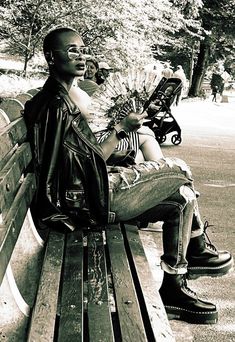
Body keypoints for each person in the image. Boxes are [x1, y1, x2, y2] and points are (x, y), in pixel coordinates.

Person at [23, 27, 233, 325]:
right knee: (180, 170)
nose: (80, 56)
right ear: (50, 57)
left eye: (82, 49)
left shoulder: (62, 99)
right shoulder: (56, 105)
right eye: (71, 50)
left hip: (92, 190)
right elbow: (59, 169)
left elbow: (79, 157)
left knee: (181, 199)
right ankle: (197, 248)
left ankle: (174, 285)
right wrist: (120, 130)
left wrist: (121, 142)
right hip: (90, 200)